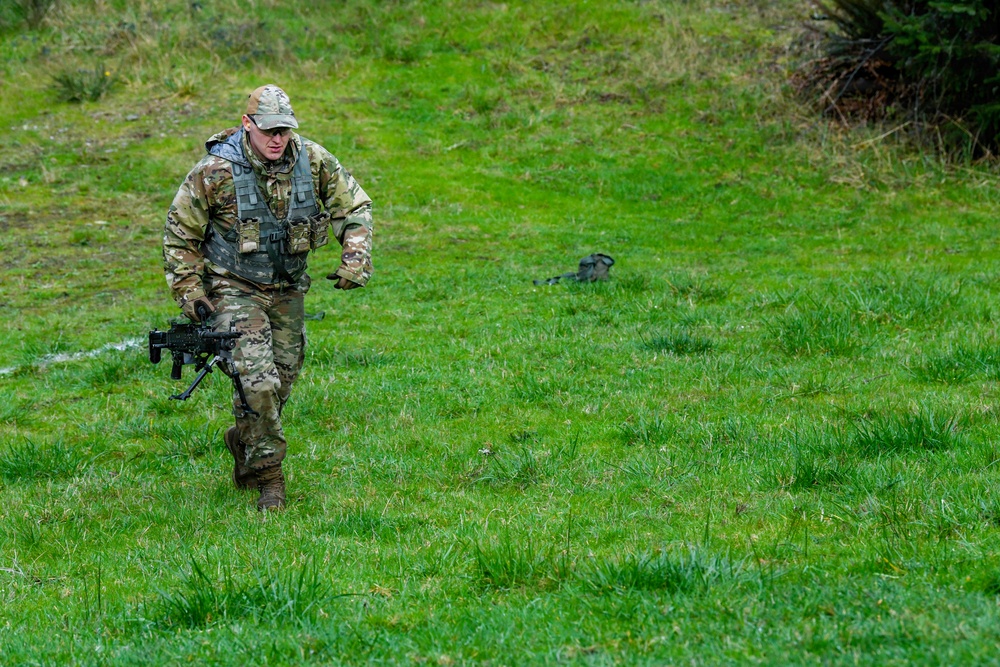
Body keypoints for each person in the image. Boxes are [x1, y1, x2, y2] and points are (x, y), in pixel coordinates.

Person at [162, 84, 373, 511]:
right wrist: (191, 293)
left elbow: (354, 208)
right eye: (268, 130)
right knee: (257, 383)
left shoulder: (314, 160)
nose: (278, 139)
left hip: (288, 288)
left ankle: (242, 441)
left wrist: (355, 258)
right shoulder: (214, 171)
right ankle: (270, 483)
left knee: (280, 381)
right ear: (247, 125)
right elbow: (179, 234)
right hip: (233, 287)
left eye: (284, 130)